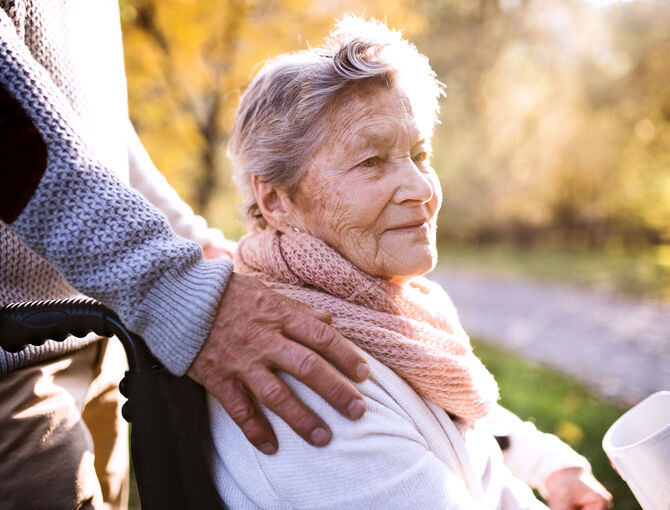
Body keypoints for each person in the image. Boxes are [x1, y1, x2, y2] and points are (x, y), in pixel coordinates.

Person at [208, 15, 613, 509]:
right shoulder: (304, 370)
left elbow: (456, 434)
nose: (422, 189)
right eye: (371, 162)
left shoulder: (382, 312)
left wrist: (545, 462)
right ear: (275, 201)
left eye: (420, 155)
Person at [0, 2, 370, 508]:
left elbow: (85, 124)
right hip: (10, 366)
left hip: (103, 335)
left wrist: (192, 244)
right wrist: (167, 284)